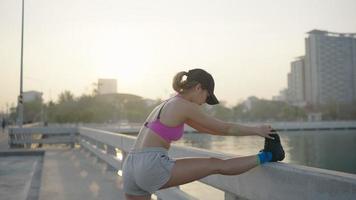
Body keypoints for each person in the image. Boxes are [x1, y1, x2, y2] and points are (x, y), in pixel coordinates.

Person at [122, 68, 285, 200]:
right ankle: (268, 156)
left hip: (131, 165)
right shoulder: (185, 105)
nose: (204, 102)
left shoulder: (167, 104)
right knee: (216, 164)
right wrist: (257, 130)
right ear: (199, 87)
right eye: (206, 96)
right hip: (151, 165)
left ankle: (268, 155)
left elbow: (209, 129)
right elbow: (224, 128)